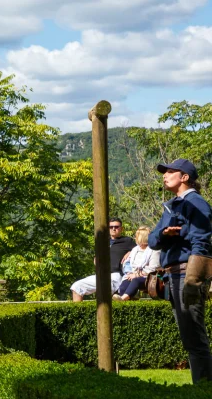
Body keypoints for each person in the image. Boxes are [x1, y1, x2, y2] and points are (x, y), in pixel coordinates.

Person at [148, 159, 212, 383]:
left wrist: (194, 280)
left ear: (185, 177)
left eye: (170, 172)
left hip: (187, 273)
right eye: (164, 172)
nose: (165, 175)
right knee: (189, 337)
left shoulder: (197, 204)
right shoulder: (172, 204)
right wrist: (165, 234)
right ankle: (202, 387)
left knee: (194, 337)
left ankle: (204, 388)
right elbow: (151, 240)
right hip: (172, 275)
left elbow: (202, 242)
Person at [70, 217, 135, 302]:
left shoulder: (127, 241)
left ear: (121, 228)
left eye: (116, 226)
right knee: (77, 286)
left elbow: (143, 249)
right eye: (111, 227)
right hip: (101, 274)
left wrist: (131, 252)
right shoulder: (103, 241)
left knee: (104, 288)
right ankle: (78, 314)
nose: (113, 229)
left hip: (116, 275)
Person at [113, 226, 160, 301]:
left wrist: (136, 275)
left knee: (136, 281)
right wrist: (129, 273)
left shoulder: (154, 250)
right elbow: (128, 264)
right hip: (132, 274)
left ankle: (122, 299)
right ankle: (127, 301)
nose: (135, 238)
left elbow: (153, 269)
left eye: (137, 236)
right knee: (123, 286)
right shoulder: (134, 250)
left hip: (149, 277)